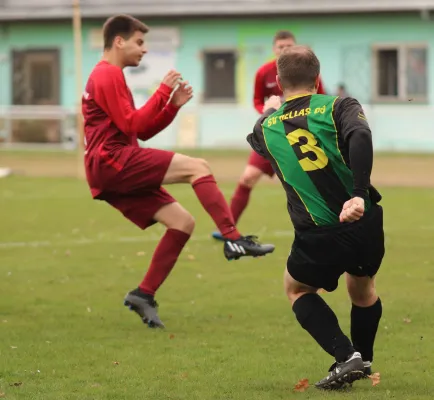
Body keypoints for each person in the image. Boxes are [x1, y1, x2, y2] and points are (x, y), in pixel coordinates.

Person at [82, 14, 275, 329]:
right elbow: (134, 124)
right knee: (198, 167)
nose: (144, 50)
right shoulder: (107, 75)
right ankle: (233, 238)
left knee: (182, 223)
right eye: (139, 42)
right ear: (119, 41)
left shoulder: (110, 75)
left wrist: (171, 106)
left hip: (112, 164)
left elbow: (140, 132)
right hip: (112, 161)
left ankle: (143, 294)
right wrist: (162, 92)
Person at [246, 45, 384, 390]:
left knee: (296, 288)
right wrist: (357, 192)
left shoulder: (265, 128)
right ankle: (362, 360)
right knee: (363, 286)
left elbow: (257, 138)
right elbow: (361, 135)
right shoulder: (340, 105)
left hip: (319, 231)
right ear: (318, 79)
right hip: (365, 219)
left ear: (278, 81)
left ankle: (346, 355)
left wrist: (268, 110)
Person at [211, 30, 326, 241]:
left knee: (311, 182)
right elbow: (256, 100)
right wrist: (268, 112)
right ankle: (228, 229)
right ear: (274, 49)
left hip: (301, 137)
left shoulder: (309, 72)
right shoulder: (264, 72)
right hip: (272, 134)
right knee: (247, 178)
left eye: (289, 47)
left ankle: (325, 225)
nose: (284, 50)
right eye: (281, 47)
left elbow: (322, 99)